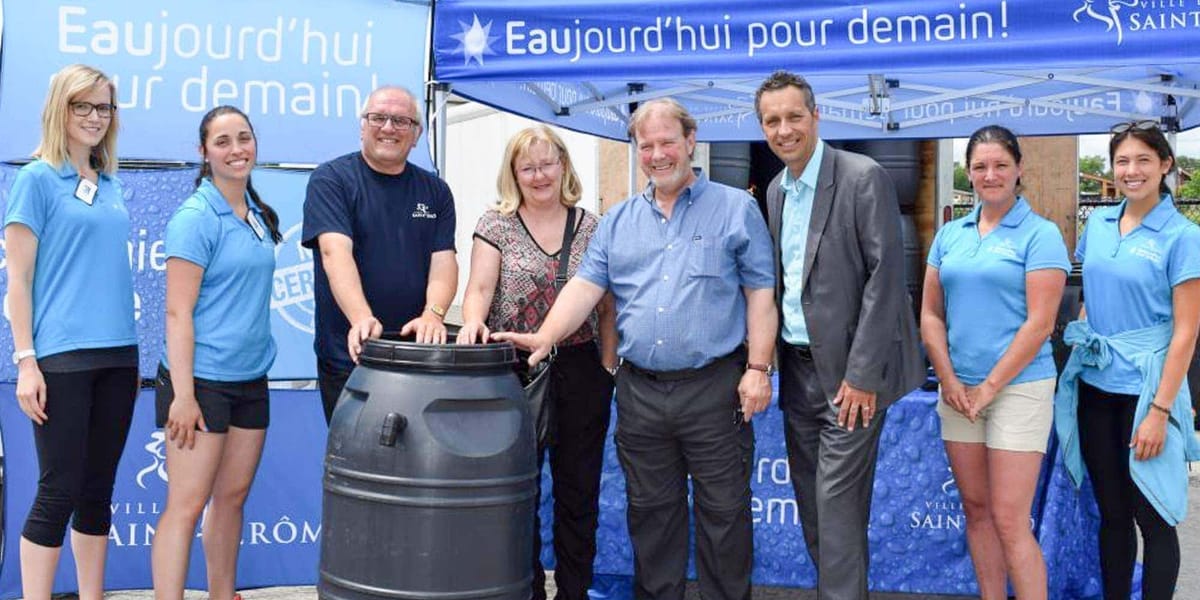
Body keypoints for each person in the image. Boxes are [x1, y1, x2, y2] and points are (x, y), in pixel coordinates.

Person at [495, 98, 777, 600]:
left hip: (714, 388)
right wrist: (545, 336)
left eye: (668, 142)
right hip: (641, 393)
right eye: (646, 145)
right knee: (651, 516)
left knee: (724, 514)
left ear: (691, 142)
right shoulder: (618, 221)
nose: (657, 154)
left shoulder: (737, 209)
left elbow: (760, 292)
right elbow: (583, 288)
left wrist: (758, 367)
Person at [755, 70, 924, 600]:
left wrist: (861, 376)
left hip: (851, 379)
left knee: (836, 509)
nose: (784, 130)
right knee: (816, 510)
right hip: (799, 374)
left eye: (793, 116)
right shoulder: (778, 190)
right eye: (772, 120)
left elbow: (887, 281)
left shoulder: (862, 175)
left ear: (816, 115)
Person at [456, 125, 618, 600]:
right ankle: (524, 589)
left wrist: (608, 368)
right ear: (513, 173)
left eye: (547, 163)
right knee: (516, 491)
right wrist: (471, 322)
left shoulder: (593, 226)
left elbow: (608, 306)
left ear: (564, 165)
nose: (539, 174)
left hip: (581, 369)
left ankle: (574, 590)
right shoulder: (495, 224)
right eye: (527, 167)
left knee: (578, 491)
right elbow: (480, 289)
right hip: (515, 371)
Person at [4, 64, 138, 600]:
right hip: (60, 358)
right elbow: (19, 280)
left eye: (103, 107)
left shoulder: (109, 184)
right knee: (57, 491)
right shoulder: (36, 178)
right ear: (59, 109)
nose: (94, 117)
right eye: (81, 105)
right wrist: (25, 361)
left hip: (119, 356)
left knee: (97, 492)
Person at [921, 125, 1069, 599]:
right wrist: (948, 378)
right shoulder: (950, 234)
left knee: (1009, 519)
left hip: (1019, 389)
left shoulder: (1041, 234)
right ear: (968, 172)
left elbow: (1040, 325)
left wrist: (988, 388)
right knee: (976, 509)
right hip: (958, 390)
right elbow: (929, 313)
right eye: (981, 166)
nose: (990, 175)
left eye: (1001, 165)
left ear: (1019, 169)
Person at [1056, 120, 1200, 600]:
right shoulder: (1096, 223)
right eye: (1122, 161)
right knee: (1112, 516)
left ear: (1165, 166)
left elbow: (1186, 331)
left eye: (1143, 160)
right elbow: (1090, 294)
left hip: (1146, 394)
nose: (1131, 170)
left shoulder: (1182, 236)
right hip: (1096, 390)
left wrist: (1160, 412)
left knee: (1154, 517)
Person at [150, 106, 283, 600]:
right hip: (199, 382)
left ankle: (223, 594)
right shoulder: (194, 219)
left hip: (250, 378)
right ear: (203, 152)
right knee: (186, 505)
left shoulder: (257, 213)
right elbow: (176, 315)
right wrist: (183, 397)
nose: (236, 150)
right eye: (222, 141)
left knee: (231, 499)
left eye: (243, 138)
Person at [303, 85, 457, 423]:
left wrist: (433, 315)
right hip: (352, 359)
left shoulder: (436, 191)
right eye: (378, 118)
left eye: (401, 121)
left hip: (416, 359)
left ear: (416, 134)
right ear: (362, 126)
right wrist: (361, 318)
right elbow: (334, 253)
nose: (388, 128)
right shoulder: (331, 180)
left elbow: (444, 262)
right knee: (356, 465)